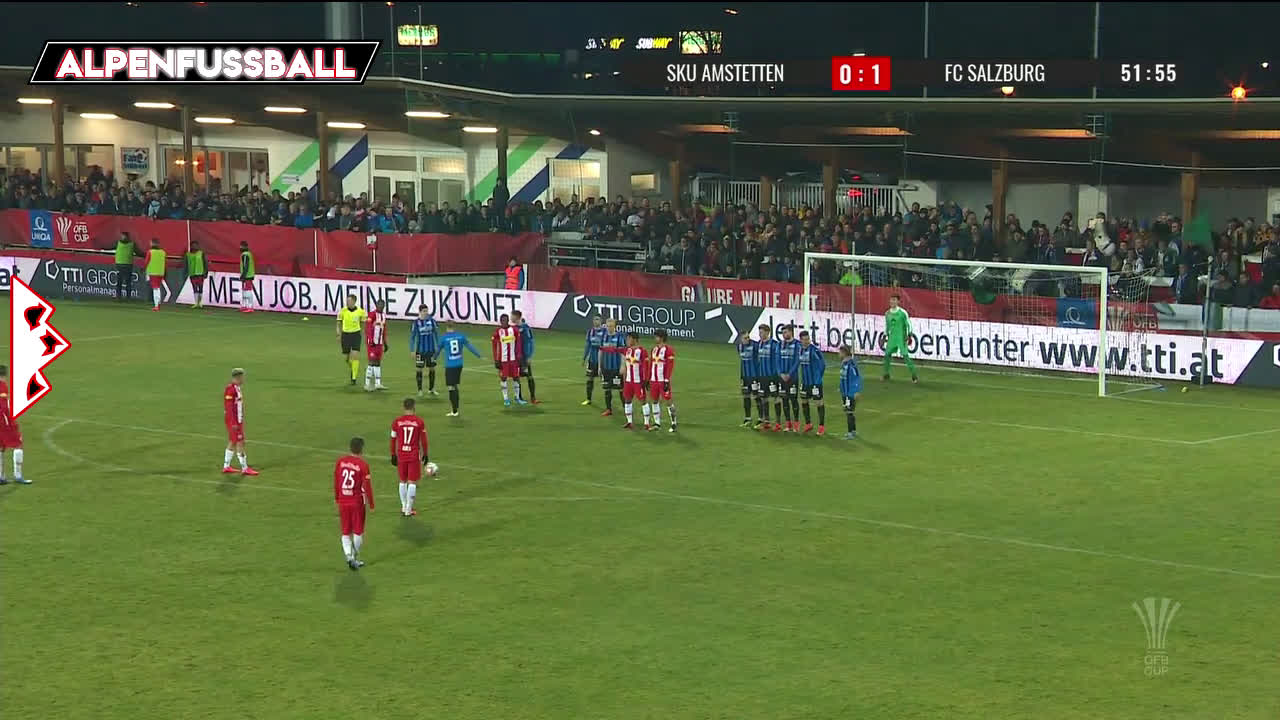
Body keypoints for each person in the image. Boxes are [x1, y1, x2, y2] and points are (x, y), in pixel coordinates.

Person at [334, 436, 374, 570]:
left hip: (343, 500)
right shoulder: (363, 465)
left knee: (345, 532)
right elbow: (367, 486)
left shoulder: (340, 462)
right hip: (357, 502)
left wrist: (337, 497)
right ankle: (354, 557)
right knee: (358, 532)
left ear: (350, 448)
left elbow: (337, 481)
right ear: (361, 449)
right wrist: (371, 503)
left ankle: (348, 556)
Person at [600, 332, 648, 429]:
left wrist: (645, 380)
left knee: (642, 400)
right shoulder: (627, 350)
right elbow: (615, 350)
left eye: (629, 339)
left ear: (634, 339)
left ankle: (647, 423)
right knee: (627, 400)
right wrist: (602, 348)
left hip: (638, 381)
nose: (627, 341)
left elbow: (646, 367)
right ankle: (629, 422)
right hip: (628, 381)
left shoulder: (642, 351)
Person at [390, 397, 428, 517]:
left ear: (403, 407)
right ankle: (409, 509)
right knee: (412, 482)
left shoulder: (397, 422)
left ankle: (403, 506)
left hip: (401, 454)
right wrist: (425, 453)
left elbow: (393, 439)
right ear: (414, 407)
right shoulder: (419, 422)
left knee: (402, 481)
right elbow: (423, 440)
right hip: (413, 455)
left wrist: (393, 454)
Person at [434, 321, 482, 417]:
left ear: (446, 327)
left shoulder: (444, 338)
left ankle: (454, 411)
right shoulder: (461, 336)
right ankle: (455, 408)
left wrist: (434, 358)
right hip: (459, 364)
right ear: (454, 327)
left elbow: (438, 350)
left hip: (450, 365)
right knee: (455, 385)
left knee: (451, 387)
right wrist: (478, 355)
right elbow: (470, 346)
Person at [222, 368, 258, 475]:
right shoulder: (231, 389)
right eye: (242, 377)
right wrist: (233, 423)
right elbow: (228, 408)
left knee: (233, 441)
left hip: (238, 420)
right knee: (240, 442)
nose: (243, 379)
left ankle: (226, 466)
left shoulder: (236, 388)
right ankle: (245, 468)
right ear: (238, 377)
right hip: (234, 422)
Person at [0, 365, 28, 484]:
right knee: (18, 444)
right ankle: (18, 476)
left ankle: (1, 477)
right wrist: (10, 422)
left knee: (1, 447)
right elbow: (3, 407)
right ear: (4, 375)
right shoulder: (2, 386)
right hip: (4, 422)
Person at [491, 313, 526, 407]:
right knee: (503, 378)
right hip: (503, 360)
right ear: (500, 321)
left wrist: (519, 356)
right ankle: (506, 399)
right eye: (502, 320)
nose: (504, 322)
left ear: (507, 320)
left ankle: (517, 398)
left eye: (505, 320)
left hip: (513, 359)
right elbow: (494, 346)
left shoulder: (514, 330)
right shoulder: (498, 332)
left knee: (516, 378)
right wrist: (496, 359)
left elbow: (518, 344)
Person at [883, 294, 918, 383]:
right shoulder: (887, 313)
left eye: (894, 300)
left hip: (901, 338)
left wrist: (909, 335)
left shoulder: (903, 313)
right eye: (891, 300)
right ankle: (886, 374)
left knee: (905, 356)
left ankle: (914, 375)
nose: (892, 302)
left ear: (898, 301)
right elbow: (887, 326)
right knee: (887, 355)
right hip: (892, 338)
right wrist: (885, 335)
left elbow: (908, 324)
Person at [797, 330, 827, 436]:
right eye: (804, 339)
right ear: (800, 340)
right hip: (805, 382)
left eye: (808, 339)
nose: (806, 341)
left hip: (815, 382)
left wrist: (818, 377)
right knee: (804, 401)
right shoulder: (800, 350)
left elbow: (822, 365)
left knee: (819, 402)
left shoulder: (814, 350)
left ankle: (821, 426)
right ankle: (808, 424)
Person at [647, 329, 677, 433]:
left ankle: (673, 423)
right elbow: (651, 365)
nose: (655, 338)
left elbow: (670, 366)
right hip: (654, 380)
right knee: (654, 401)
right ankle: (657, 423)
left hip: (662, 380)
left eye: (656, 336)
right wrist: (648, 379)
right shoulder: (654, 349)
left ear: (662, 338)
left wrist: (667, 380)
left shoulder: (668, 350)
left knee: (668, 401)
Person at [408, 304, 440, 397]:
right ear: (420, 312)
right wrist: (412, 350)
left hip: (431, 350)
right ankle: (420, 390)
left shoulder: (432, 321)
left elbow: (436, 334)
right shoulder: (416, 323)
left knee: (432, 368)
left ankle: (431, 389)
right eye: (424, 311)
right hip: (420, 351)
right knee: (419, 369)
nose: (426, 313)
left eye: (427, 311)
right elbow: (412, 337)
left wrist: (438, 346)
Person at [755, 324, 781, 431]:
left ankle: (778, 422)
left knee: (776, 398)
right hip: (762, 376)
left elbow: (778, 360)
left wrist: (777, 374)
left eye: (761, 332)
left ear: (767, 332)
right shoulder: (759, 344)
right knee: (763, 398)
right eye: (759, 332)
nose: (760, 334)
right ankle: (767, 421)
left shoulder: (774, 344)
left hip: (772, 377)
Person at [598, 317, 626, 417]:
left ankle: (626, 408)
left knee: (620, 389)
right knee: (607, 388)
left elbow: (623, 352)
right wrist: (599, 366)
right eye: (608, 326)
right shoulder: (603, 336)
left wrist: (622, 366)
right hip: (606, 367)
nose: (609, 328)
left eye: (611, 326)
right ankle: (608, 409)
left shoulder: (619, 336)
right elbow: (600, 351)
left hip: (616, 368)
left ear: (615, 326)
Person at [336, 294, 367, 386]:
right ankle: (353, 368)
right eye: (347, 301)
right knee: (347, 358)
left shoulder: (361, 312)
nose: (347, 303)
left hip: (356, 335)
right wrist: (338, 334)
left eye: (349, 301)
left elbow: (363, 324)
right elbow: (338, 323)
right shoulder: (343, 311)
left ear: (354, 301)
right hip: (345, 335)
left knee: (355, 355)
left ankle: (354, 378)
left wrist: (363, 333)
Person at [777, 325, 802, 431]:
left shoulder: (797, 345)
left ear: (791, 332)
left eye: (786, 332)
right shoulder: (780, 344)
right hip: (782, 378)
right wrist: (780, 373)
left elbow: (797, 360)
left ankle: (796, 422)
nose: (784, 335)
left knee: (793, 399)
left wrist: (789, 374)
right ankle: (788, 423)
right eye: (783, 333)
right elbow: (777, 360)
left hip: (793, 378)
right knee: (784, 399)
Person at [510, 309, 538, 404]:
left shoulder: (525, 328)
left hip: (524, 357)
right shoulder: (512, 329)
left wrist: (529, 356)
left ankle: (533, 398)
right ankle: (519, 397)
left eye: (512, 316)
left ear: (516, 317)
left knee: (529, 376)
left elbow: (531, 342)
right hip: (515, 357)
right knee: (516, 377)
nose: (510, 318)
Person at [581, 314, 608, 406]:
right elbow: (587, 345)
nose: (596, 321)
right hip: (592, 360)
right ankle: (588, 399)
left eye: (597, 319)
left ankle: (608, 404)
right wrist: (584, 358)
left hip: (603, 360)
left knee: (605, 380)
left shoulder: (605, 331)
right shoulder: (590, 332)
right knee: (590, 379)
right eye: (594, 319)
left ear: (601, 321)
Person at [364, 299, 389, 392]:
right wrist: (370, 340)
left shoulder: (383, 316)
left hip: (379, 343)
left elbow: (384, 330)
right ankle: (367, 384)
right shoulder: (372, 314)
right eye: (379, 305)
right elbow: (368, 328)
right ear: (376, 305)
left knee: (377, 362)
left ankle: (377, 384)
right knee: (371, 362)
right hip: (372, 343)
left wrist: (385, 343)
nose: (381, 306)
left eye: (382, 305)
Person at [736, 330, 760, 427]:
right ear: (740, 339)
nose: (747, 339)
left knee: (757, 396)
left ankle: (761, 419)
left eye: (748, 337)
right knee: (746, 396)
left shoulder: (755, 345)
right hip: (744, 376)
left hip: (754, 375)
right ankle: (747, 418)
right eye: (745, 338)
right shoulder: (739, 347)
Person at [839, 346, 863, 440]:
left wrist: (856, 391)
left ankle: (850, 433)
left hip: (850, 393)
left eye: (840, 352)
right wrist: (840, 388)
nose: (839, 354)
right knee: (849, 412)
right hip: (845, 392)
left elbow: (857, 377)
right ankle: (853, 431)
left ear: (844, 353)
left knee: (849, 412)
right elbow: (843, 378)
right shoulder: (844, 363)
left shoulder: (851, 364)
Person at [113, 232, 141, 302]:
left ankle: (125, 297)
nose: (123, 237)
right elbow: (139, 253)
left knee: (125, 282)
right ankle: (121, 297)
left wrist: (146, 254)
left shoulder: (129, 244)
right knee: (121, 282)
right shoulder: (129, 244)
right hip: (123, 265)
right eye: (122, 236)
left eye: (124, 236)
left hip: (125, 265)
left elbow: (138, 252)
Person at [143, 238, 166, 311]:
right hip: (161, 272)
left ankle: (156, 305)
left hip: (153, 272)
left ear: (152, 243)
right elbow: (165, 263)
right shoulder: (163, 252)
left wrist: (143, 268)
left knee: (155, 289)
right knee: (157, 288)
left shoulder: (150, 252)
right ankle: (158, 304)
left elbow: (146, 261)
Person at [185, 239, 208, 309]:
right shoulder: (188, 254)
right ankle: (196, 303)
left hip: (200, 273)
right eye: (193, 245)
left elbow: (205, 262)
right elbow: (186, 264)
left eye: (196, 245)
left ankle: (200, 302)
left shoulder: (201, 253)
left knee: (200, 287)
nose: (195, 247)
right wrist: (186, 272)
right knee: (194, 288)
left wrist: (206, 271)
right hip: (192, 273)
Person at [238, 240, 256, 313]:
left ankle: (250, 307)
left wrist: (243, 275)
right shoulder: (248, 253)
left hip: (247, 275)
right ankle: (245, 306)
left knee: (248, 290)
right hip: (248, 274)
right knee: (245, 290)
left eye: (241, 246)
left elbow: (246, 266)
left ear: (244, 247)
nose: (240, 248)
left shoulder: (245, 255)